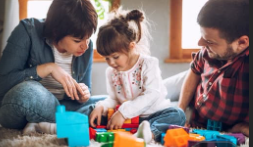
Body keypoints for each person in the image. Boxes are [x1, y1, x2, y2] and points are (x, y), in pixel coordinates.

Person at [0, 0, 105, 135]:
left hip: (64, 106)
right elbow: (3, 83)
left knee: (106, 102)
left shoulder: (86, 47)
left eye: (88, 38)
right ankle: (71, 120)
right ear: (56, 32)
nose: (85, 46)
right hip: (27, 102)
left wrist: (83, 95)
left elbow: (85, 88)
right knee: (28, 93)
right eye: (77, 41)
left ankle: (43, 124)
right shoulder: (28, 30)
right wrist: (48, 68)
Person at [89, 9, 186, 143]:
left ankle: (148, 133)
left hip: (154, 115)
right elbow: (114, 99)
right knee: (95, 114)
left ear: (131, 46)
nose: (111, 63)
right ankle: (137, 130)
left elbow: (152, 94)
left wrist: (123, 113)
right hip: (129, 120)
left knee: (178, 115)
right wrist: (102, 106)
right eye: (106, 58)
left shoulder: (148, 64)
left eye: (115, 57)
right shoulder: (111, 72)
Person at [178, 0, 249, 137]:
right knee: (159, 94)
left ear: (242, 42)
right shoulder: (207, 50)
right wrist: (180, 109)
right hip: (196, 108)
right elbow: (194, 71)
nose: (200, 43)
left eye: (209, 41)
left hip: (222, 129)